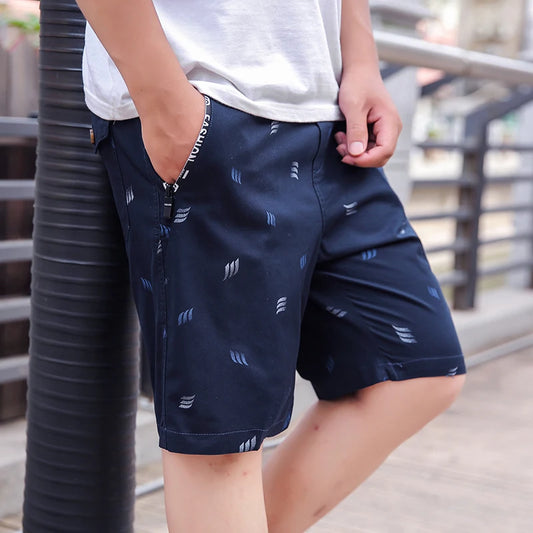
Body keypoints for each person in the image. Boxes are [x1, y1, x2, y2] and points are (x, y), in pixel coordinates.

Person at [76, 1, 466, 531]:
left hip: (328, 113)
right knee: (221, 439)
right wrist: (166, 104)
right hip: (209, 101)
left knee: (418, 369)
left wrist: (361, 63)